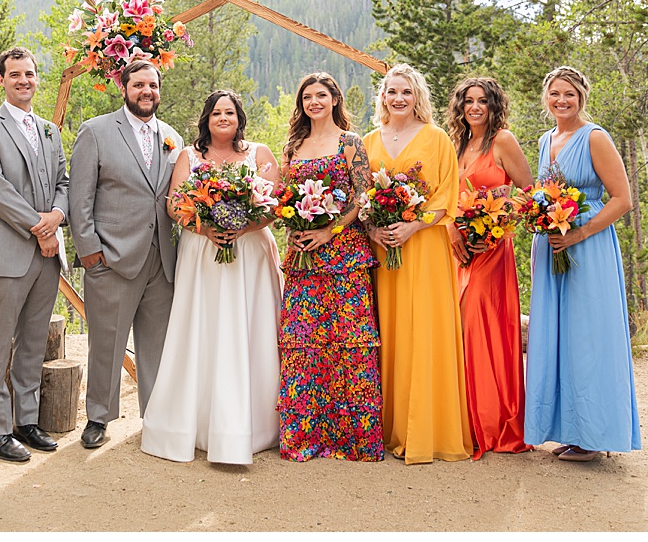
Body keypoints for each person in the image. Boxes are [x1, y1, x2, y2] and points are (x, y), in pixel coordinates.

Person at [141, 90, 282, 464]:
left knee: (248, 329)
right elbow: (174, 204)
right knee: (201, 329)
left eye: (230, 112)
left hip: (250, 252)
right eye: (217, 112)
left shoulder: (260, 154)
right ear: (206, 119)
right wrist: (207, 229)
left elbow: (276, 205)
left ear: (239, 118)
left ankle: (256, 425)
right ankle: (197, 423)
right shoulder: (188, 156)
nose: (223, 118)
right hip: (202, 253)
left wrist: (243, 225)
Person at [525, 66, 641, 462]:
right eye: (555, 94)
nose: (562, 100)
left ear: (582, 97)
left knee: (589, 337)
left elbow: (622, 199)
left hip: (587, 248)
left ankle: (596, 433)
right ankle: (568, 429)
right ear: (546, 97)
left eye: (569, 94)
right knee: (558, 337)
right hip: (552, 246)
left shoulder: (595, 137)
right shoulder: (546, 140)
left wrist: (579, 233)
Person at [68, 60, 184, 449]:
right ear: (124, 88)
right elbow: (79, 198)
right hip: (111, 259)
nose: (146, 91)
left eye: (152, 84)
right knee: (107, 343)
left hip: (161, 260)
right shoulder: (96, 132)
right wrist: (89, 252)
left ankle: (155, 416)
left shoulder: (172, 138)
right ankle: (98, 417)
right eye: (138, 85)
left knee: (157, 345)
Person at [363, 63, 472, 464]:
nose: (398, 99)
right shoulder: (368, 141)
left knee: (424, 331)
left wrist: (414, 226)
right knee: (387, 333)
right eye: (392, 91)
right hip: (382, 251)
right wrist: (374, 231)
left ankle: (426, 430)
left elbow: (447, 194)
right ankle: (390, 428)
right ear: (383, 97)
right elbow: (358, 196)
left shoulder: (437, 138)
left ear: (417, 97)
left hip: (424, 248)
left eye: (406, 92)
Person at [0, 47, 69, 464]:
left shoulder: (49, 129)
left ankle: (25, 421)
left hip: (47, 253)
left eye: (29, 73)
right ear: (2, 80)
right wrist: (39, 227)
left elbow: (64, 179)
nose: (23, 80)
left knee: (32, 341)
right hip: (11, 251)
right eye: (15, 74)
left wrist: (58, 216)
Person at [278, 72, 383, 462]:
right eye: (307, 96)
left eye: (321, 95)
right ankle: (306, 437)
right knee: (304, 343)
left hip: (344, 256)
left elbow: (363, 196)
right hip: (304, 257)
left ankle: (354, 439)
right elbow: (284, 196)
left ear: (335, 99)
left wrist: (329, 230)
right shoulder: (293, 145)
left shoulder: (350, 142)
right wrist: (294, 223)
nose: (314, 102)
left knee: (348, 342)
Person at [443, 77, 533, 460]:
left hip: (493, 250)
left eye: (482, 101)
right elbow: (444, 197)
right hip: (460, 249)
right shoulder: (457, 144)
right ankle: (465, 421)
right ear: (460, 107)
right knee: (458, 330)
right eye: (468, 101)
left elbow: (530, 194)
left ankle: (496, 424)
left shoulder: (503, 142)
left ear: (494, 104)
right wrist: (452, 229)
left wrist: (495, 227)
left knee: (482, 328)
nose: (475, 107)